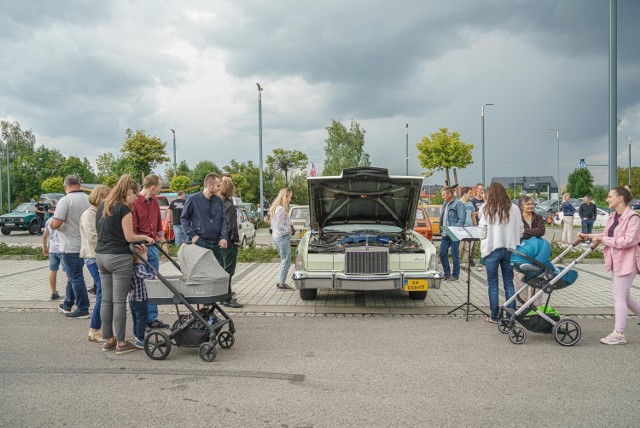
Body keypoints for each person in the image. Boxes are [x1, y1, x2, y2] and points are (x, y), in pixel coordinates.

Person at [96, 175, 154, 355]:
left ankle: (108, 339)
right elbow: (129, 236)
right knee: (119, 301)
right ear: (129, 191)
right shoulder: (124, 208)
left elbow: (108, 233)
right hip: (119, 258)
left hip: (101, 256)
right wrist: (144, 237)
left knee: (106, 300)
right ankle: (121, 343)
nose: (135, 199)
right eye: (134, 195)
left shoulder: (102, 206)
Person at [579, 187, 640, 345]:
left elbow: (628, 240)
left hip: (628, 261)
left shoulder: (633, 218)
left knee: (618, 296)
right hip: (615, 260)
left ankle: (619, 334)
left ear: (620, 198)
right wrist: (588, 236)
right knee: (624, 296)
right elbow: (606, 235)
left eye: (610, 196)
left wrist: (604, 240)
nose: (607, 200)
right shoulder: (613, 216)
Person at [478, 182, 524, 323]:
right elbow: (521, 229)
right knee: (509, 283)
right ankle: (510, 316)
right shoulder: (515, 209)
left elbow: (482, 231)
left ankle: (494, 316)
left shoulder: (486, 208)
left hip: (492, 249)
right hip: (510, 249)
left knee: (493, 284)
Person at [50, 175, 91, 319]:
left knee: (75, 277)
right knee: (73, 276)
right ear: (79, 184)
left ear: (65, 185)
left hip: (70, 245)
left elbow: (56, 223)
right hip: (86, 244)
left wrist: (50, 224)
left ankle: (83, 307)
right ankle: (68, 303)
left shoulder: (65, 200)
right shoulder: (88, 198)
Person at [131, 174, 169, 330]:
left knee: (153, 282)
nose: (160, 189)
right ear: (152, 187)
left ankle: (152, 318)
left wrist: (163, 241)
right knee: (142, 285)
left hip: (153, 247)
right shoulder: (134, 203)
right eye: (159, 186)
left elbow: (159, 224)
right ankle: (142, 320)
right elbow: (132, 228)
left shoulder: (154, 202)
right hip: (141, 248)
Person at [80, 185, 111, 343]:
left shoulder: (100, 213)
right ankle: (94, 329)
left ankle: (99, 328)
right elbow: (93, 237)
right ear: (98, 197)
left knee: (104, 292)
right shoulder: (89, 214)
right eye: (105, 196)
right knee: (103, 292)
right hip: (93, 257)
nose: (108, 199)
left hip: (100, 255)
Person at [180, 172, 228, 270]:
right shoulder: (193, 199)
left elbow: (223, 219)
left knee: (221, 272)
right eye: (218, 185)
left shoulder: (218, 200)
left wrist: (224, 237)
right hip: (201, 242)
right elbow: (184, 218)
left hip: (216, 243)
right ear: (209, 185)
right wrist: (193, 235)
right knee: (202, 271)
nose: (220, 188)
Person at [515, 196, 546, 306]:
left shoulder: (538, 218)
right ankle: (521, 305)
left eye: (532, 204)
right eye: (527, 204)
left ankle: (536, 306)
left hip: (536, 252)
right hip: (521, 252)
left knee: (537, 278)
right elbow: (518, 233)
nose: (530, 206)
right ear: (521, 206)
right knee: (520, 279)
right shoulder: (517, 218)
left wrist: (525, 231)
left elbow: (541, 231)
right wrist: (534, 231)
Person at [218, 178, 244, 308]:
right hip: (228, 242)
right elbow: (232, 225)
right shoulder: (229, 206)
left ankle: (222, 295)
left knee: (221, 270)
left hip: (217, 242)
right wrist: (235, 239)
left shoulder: (216, 203)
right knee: (229, 270)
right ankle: (227, 298)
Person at [128, 245, 154, 349]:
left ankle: (136, 336)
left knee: (136, 319)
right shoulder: (139, 267)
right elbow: (142, 274)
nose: (147, 256)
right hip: (140, 298)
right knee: (141, 319)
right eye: (145, 254)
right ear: (140, 257)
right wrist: (153, 276)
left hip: (132, 298)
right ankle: (140, 339)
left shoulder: (132, 267)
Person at [439, 186, 466, 281]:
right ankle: (446, 274)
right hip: (445, 233)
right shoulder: (444, 204)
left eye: (444, 195)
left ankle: (455, 275)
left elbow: (461, 219)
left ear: (450, 194)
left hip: (454, 233)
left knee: (455, 254)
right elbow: (442, 218)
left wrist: (455, 231)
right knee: (442, 253)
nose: (442, 197)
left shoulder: (458, 204)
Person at [269, 188, 294, 290]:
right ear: (286, 196)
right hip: (281, 238)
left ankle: (280, 282)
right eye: (290, 197)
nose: (290, 199)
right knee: (286, 261)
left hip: (277, 237)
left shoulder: (277, 208)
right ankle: (281, 284)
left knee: (284, 260)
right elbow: (279, 226)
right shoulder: (281, 209)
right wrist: (289, 229)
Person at [42, 216, 62, 300]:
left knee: (53, 270)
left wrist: (45, 247)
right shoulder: (63, 219)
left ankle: (53, 292)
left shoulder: (49, 220)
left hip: (52, 249)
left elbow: (44, 236)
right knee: (69, 271)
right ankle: (70, 292)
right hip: (63, 248)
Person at [459, 186, 475, 271]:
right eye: (470, 193)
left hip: (470, 228)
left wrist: (475, 226)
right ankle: (457, 263)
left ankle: (464, 264)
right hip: (460, 229)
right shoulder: (458, 203)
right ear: (465, 194)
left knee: (468, 247)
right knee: (459, 247)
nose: (471, 195)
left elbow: (473, 215)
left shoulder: (470, 204)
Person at [470, 183, 486, 270]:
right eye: (480, 189)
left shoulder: (485, 201)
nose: (482, 191)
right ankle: (471, 259)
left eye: (483, 189)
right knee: (473, 243)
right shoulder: (473, 201)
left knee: (482, 244)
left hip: (483, 226)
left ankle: (482, 261)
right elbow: (473, 214)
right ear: (476, 190)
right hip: (476, 224)